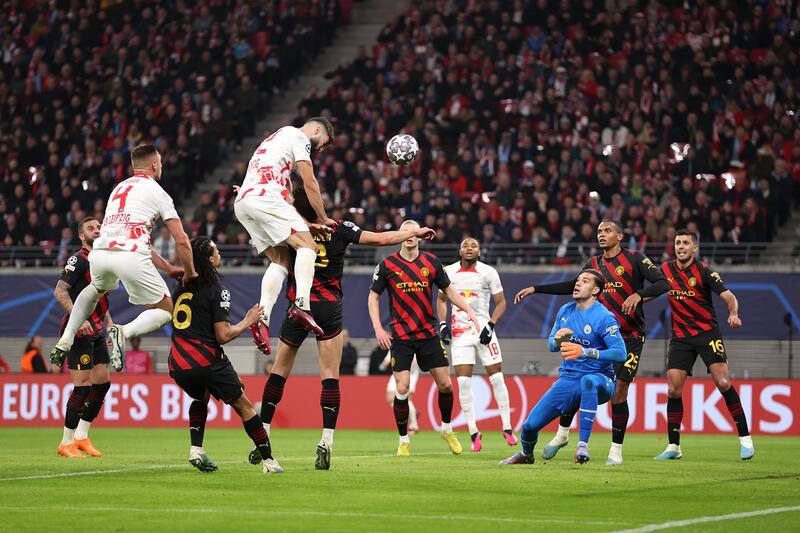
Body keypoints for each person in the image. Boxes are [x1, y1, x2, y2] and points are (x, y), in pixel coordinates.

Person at [253, 189, 436, 470]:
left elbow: (268, 244)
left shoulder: (289, 227)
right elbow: (381, 239)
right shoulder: (339, 228)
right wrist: (416, 233)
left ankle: (263, 433)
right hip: (328, 307)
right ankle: (327, 440)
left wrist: (251, 200)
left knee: (278, 372)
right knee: (330, 375)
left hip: (298, 305)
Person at [514, 220, 668, 465]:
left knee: (618, 393)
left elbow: (663, 283)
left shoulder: (636, 259)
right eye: (599, 231)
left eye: (607, 231)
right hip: (598, 337)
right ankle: (563, 434)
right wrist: (536, 288)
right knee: (579, 383)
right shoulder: (592, 265)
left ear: (619, 235)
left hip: (629, 336)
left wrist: (638, 295)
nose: (602, 235)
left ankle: (615, 450)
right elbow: (570, 285)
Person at [50, 144, 196, 371]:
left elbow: (135, 235)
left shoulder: (118, 189)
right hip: (130, 257)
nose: (162, 166)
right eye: (161, 162)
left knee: (94, 290)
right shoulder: (158, 192)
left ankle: (66, 338)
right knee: (167, 309)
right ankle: (123, 331)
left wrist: (167, 267)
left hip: (99, 254)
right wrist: (191, 272)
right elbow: (181, 240)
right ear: (154, 164)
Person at [169, 236, 283, 475]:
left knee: (201, 398)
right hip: (205, 359)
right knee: (245, 406)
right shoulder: (217, 290)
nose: (220, 253)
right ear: (210, 260)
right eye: (216, 251)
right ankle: (269, 462)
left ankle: (196, 450)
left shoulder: (181, 285)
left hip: (178, 362)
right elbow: (223, 335)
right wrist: (248, 320)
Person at [368, 220, 481, 457]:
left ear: (418, 236)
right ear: (399, 235)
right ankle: (403, 439)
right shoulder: (387, 265)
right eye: (404, 231)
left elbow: (449, 291)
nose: (409, 235)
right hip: (401, 336)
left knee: (446, 385)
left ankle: (447, 429)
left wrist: (468, 310)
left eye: (413, 231)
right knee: (402, 388)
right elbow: (373, 298)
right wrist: (378, 328)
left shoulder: (431, 262)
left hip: (428, 333)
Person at [235, 118, 339, 356]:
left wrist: (308, 225)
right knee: (309, 248)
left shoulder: (276, 141)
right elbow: (310, 182)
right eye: (322, 143)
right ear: (315, 130)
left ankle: (263, 318)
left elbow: (285, 204)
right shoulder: (299, 137)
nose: (320, 149)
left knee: (280, 260)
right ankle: (301, 305)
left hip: (244, 202)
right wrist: (322, 218)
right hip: (264, 198)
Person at [501, 270, 626, 465]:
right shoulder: (565, 311)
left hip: (601, 380)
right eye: (577, 280)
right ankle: (526, 454)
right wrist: (559, 339)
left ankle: (583, 445)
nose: (577, 284)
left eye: (585, 281)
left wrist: (586, 352)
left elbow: (620, 353)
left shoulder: (604, 317)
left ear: (596, 290)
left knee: (589, 381)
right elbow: (552, 345)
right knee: (529, 426)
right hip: (569, 379)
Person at [654, 230, 754, 461]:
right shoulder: (665, 270)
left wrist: (734, 314)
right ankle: (673, 446)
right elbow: (653, 292)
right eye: (678, 242)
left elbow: (729, 296)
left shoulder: (704, 271)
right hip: (681, 337)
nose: (680, 246)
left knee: (723, 382)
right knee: (673, 389)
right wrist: (636, 298)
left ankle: (745, 438)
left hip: (707, 334)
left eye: (686, 243)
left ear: (694, 248)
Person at [437, 237, 516, 452]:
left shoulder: (488, 272)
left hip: (483, 330)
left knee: (497, 377)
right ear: (459, 250)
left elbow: (501, 303)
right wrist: (444, 325)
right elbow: (442, 300)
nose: (469, 248)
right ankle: (473, 432)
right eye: (465, 245)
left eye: (473, 246)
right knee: (462, 382)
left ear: (479, 252)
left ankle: (507, 428)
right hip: (460, 333)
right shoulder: (448, 272)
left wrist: (490, 325)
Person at [53, 217, 113, 458]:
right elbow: (60, 291)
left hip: (98, 330)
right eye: (91, 228)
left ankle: (81, 436)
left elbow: (98, 296)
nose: (96, 230)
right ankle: (66, 442)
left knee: (102, 384)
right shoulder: (78, 260)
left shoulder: (102, 260)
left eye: (98, 227)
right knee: (82, 387)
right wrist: (80, 319)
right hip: (78, 331)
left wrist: (108, 321)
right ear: (81, 236)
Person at [383, 351, 420, 434]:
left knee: (408, 399)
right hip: (397, 372)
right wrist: (384, 363)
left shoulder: (414, 340)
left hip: (410, 373)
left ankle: (414, 426)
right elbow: (388, 359)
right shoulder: (395, 341)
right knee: (390, 399)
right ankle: (412, 412)